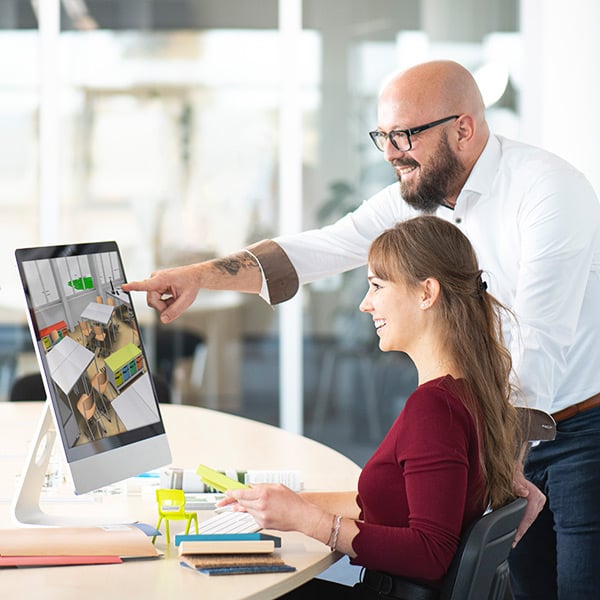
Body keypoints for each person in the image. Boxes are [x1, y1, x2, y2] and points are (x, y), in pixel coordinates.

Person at [123, 59, 600, 599]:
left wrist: (499, 455)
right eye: (383, 136)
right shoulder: (422, 190)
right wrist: (198, 276)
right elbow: (326, 245)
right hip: (501, 428)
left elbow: (538, 341)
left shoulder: (548, 192)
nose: (392, 152)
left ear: (462, 128)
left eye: (404, 134)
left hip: (579, 427)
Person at [220, 216, 522, 599]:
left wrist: (312, 522)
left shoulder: (434, 409)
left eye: (377, 286)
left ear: (427, 292)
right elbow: (389, 504)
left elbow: (431, 553)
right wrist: (282, 505)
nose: (366, 304)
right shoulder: (467, 391)